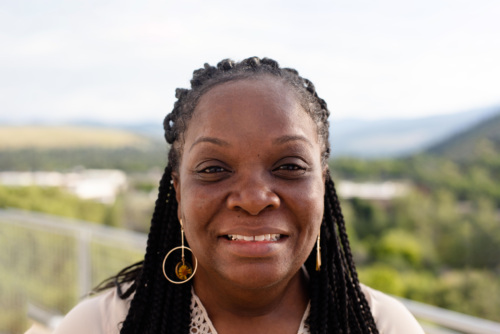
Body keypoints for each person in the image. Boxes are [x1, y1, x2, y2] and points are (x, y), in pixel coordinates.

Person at [29, 57, 425, 334]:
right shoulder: (100, 327)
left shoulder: (384, 326)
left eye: (289, 166)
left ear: (322, 185)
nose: (253, 198)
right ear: (178, 194)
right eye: (214, 169)